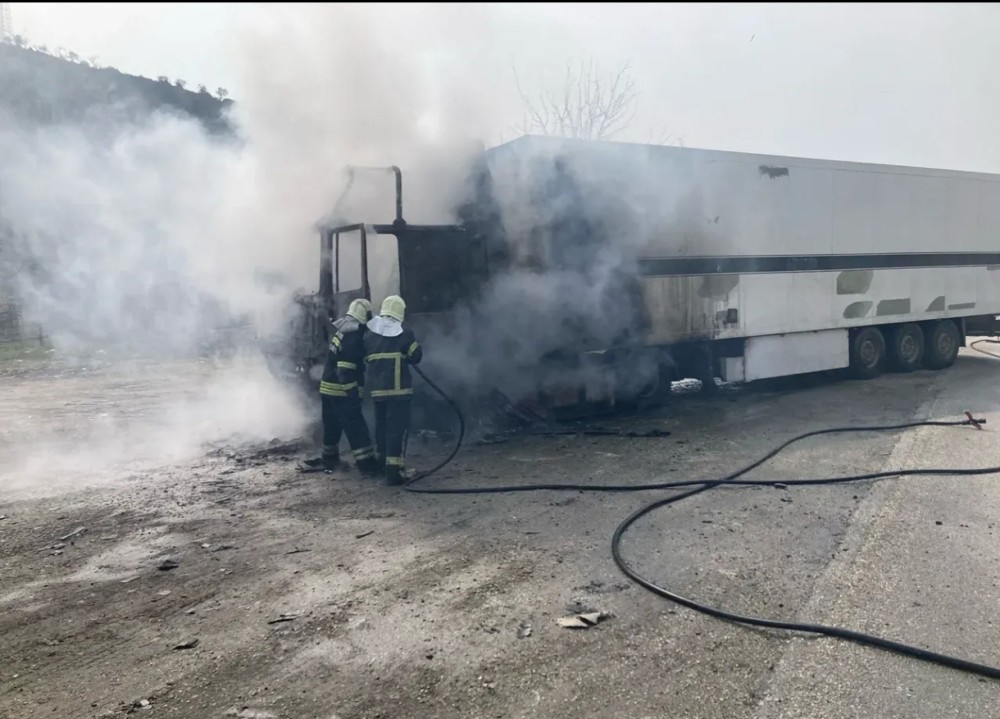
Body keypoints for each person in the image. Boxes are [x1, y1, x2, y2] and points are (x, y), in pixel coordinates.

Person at [311, 298, 379, 476]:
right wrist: (352, 395)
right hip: (341, 391)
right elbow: (345, 371)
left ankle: (330, 459)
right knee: (356, 427)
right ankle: (367, 464)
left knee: (332, 426)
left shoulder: (342, 331)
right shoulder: (353, 338)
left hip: (327, 387)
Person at [363, 295, 423, 486]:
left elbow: (366, 361)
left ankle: (383, 466)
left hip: (378, 394)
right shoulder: (404, 333)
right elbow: (416, 356)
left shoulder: (370, 335)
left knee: (382, 429)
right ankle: (393, 473)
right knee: (396, 431)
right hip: (399, 393)